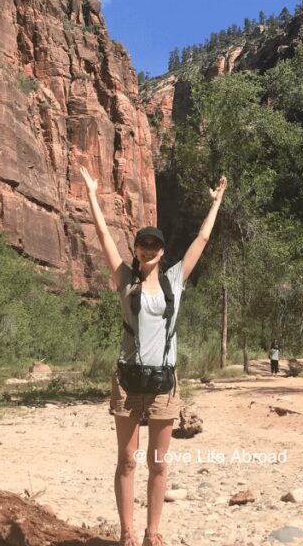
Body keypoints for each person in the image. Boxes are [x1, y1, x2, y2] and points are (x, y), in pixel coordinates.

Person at [80, 165, 227, 546]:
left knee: (158, 464)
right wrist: (93, 195)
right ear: (135, 249)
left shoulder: (174, 279)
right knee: (127, 460)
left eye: (154, 245)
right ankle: (128, 530)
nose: (147, 249)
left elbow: (203, 239)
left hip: (164, 383)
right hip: (128, 381)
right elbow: (101, 235)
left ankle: (152, 531)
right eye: (142, 244)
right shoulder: (123, 278)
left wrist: (216, 203)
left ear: (162, 252)